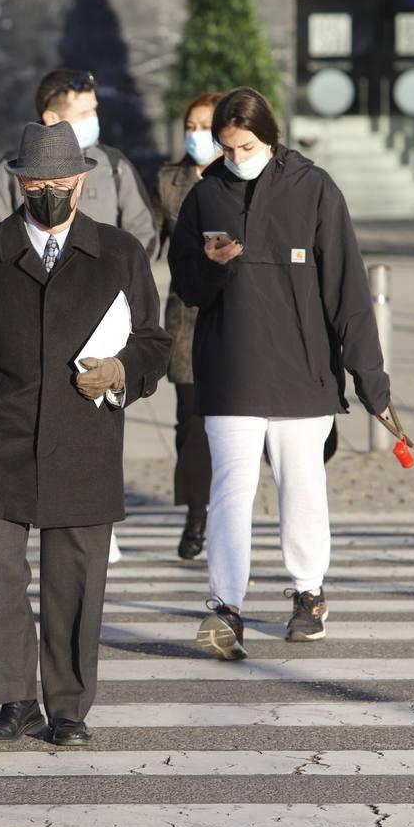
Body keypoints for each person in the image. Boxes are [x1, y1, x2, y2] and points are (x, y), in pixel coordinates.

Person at [0, 121, 171, 746]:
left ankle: (68, 709)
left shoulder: (119, 252)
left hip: (85, 438)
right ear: (18, 182)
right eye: (37, 182)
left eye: (61, 182)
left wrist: (122, 372)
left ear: (82, 181)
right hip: (1, 439)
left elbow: (153, 342)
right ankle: (14, 703)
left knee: (77, 578)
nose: (49, 192)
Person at [168, 87, 391, 660]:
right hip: (230, 372)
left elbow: (347, 293)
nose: (233, 156)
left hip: (302, 373)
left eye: (243, 145)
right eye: (224, 146)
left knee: (303, 490)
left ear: (269, 137)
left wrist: (372, 381)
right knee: (230, 494)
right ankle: (224, 607)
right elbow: (186, 284)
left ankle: (308, 592)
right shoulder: (205, 194)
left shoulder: (314, 189)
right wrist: (214, 269)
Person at [0, 69, 159, 257]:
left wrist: (115, 274)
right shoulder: (12, 168)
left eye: (94, 110)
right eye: (83, 113)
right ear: (52, 118)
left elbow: (145, 235)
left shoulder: (115, 166)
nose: (93, 119)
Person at [157, 92, 222, 559]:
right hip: (185, 321)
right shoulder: (169, 180)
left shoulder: (244, 178)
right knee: (189, 426)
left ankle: (221, 512)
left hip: (235, 320)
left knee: (228, 425)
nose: (196, 134)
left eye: (206, 126)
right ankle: (196, 513)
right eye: (191, 126)